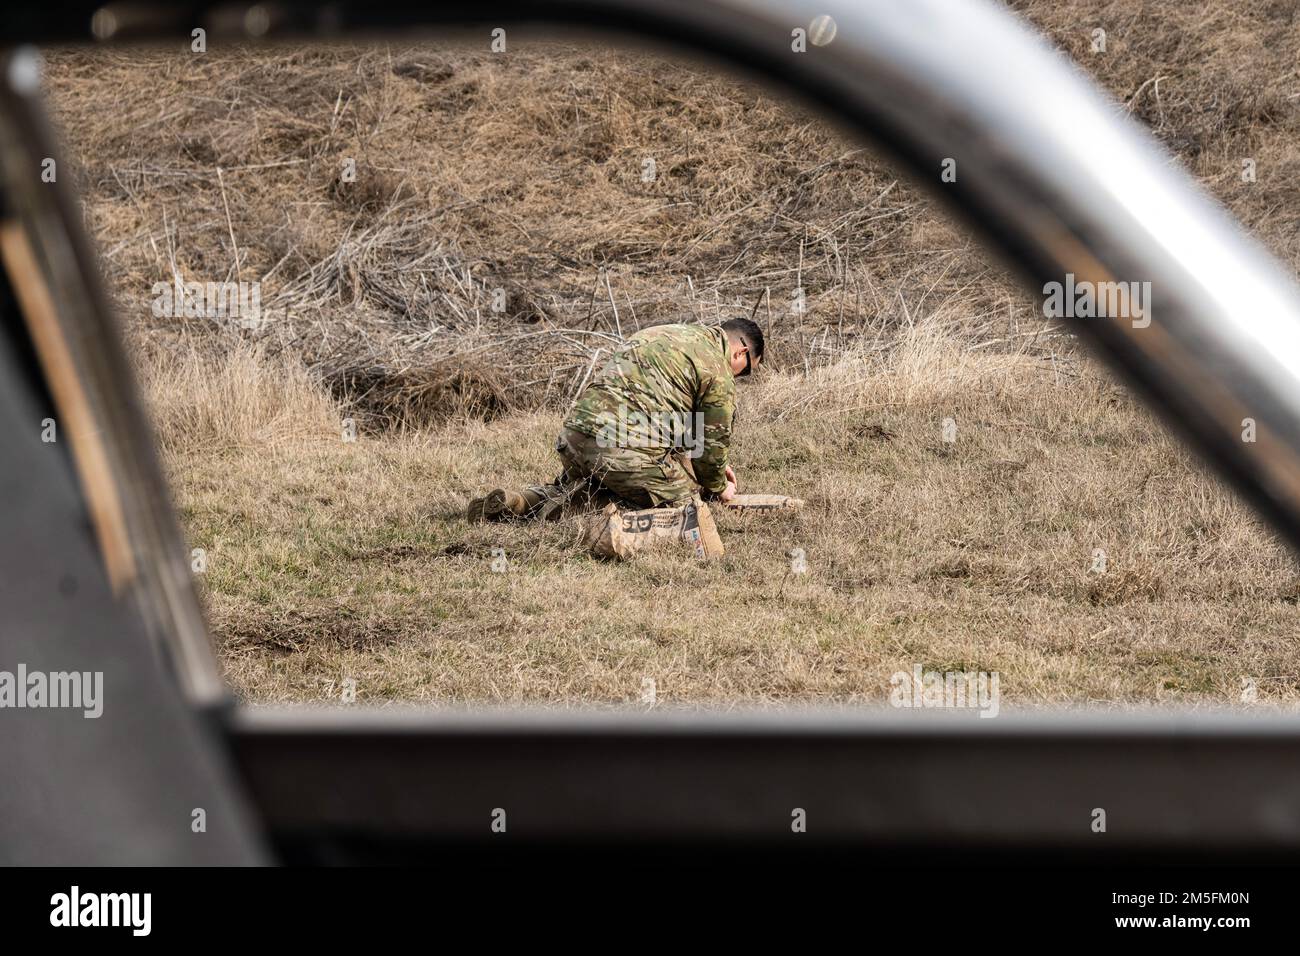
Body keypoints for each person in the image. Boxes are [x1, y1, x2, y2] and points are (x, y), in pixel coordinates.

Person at [468, 316, 764, 521]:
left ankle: (520, 502)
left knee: (598, 478)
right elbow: (712, 441)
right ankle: (572, 512)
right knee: (687, 508)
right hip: (620, 453)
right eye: (747, 370)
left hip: (574, 438)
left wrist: (703, 464)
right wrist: (715, 486)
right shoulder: (717, 368)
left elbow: (680, 425)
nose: (741, 376)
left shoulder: (662, 333)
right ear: (741, 352)